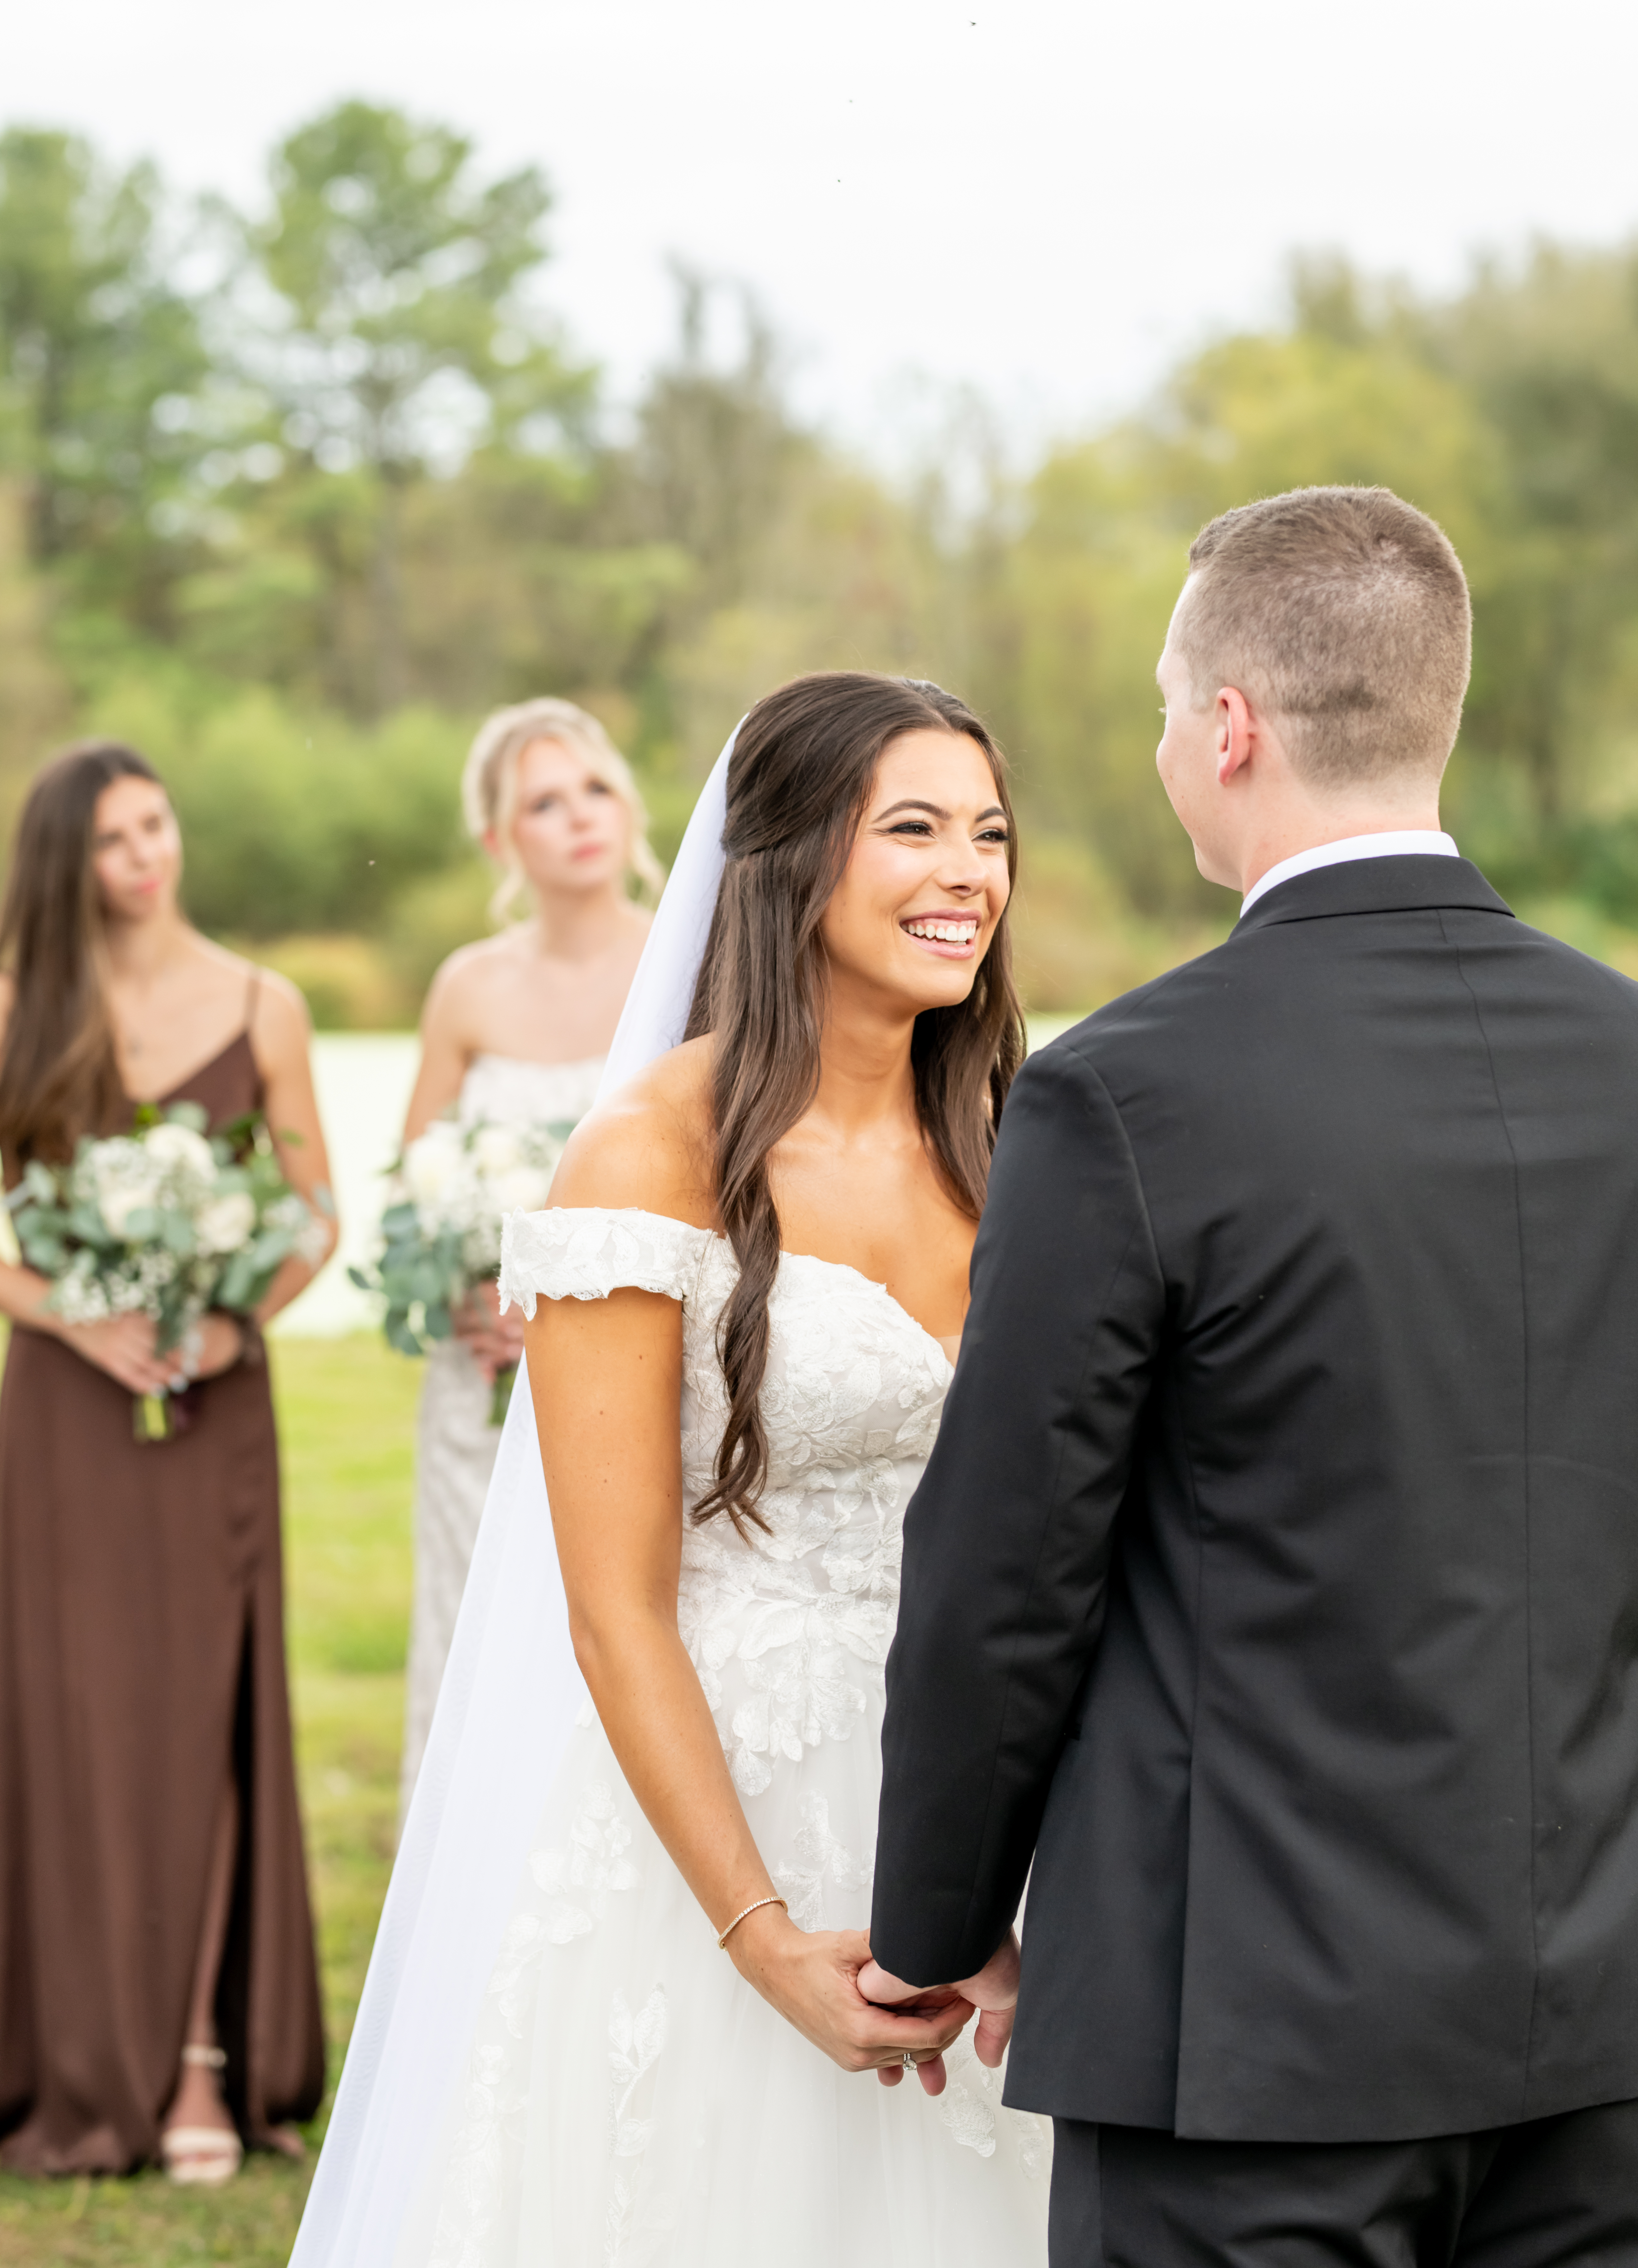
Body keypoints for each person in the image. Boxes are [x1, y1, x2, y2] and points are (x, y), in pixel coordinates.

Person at [867, 485, 1638, 2268]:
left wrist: (935, 1923)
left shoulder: (1126, 1092)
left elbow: (1008, 1571)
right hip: (1587, 2004)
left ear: (1230, 727)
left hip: (1251, 2032)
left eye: (1162, 710)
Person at [290, 672, 1045, 2268]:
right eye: (913, 829)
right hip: (719, 1811)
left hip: (972, 1801)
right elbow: (613, 1611)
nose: (966, 874)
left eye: (988, 834)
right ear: (788, 858)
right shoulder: (648, 1155)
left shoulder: (1012, 1137)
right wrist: (760, 1940)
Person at [0, 740, 336, 2184]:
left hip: (211, 1408)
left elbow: (314, 1215)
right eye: (114, 839)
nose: (147, 857)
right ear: (68, 864)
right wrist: (71, 1316)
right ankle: (74, 2046)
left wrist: (227, 1325)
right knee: (74, 1720)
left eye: (157, 825)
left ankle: (201, 2057)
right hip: (63, 1414)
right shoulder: (17, 1005)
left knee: (202, 1712)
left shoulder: (264, 1005)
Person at [395, 700, 660, 1813]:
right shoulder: (468, 986)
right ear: (500, 840)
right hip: (487, 1376)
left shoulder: (689, 963)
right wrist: (466, 1283)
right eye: (545, 803)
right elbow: (412, 1183)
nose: (580, 817)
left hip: (643, 1368)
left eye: (596, 788)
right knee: (477, 1623)